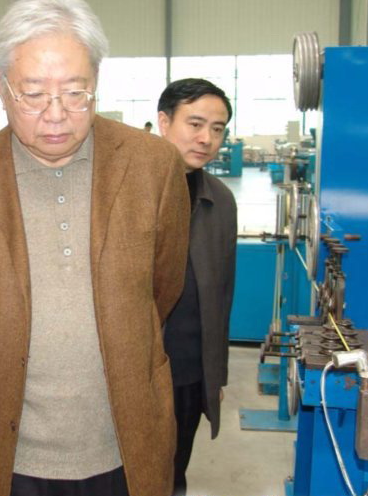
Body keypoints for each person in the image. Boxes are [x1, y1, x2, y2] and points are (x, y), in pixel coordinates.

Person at [0, 0, 190, 496]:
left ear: (96, 81)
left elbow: (163, 289)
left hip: (124, 444)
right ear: (1, 88)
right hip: (7, 453)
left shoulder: (153, 166)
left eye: (74, 92)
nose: (56, 114)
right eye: (33, 94)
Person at [156, 78, 238, 496]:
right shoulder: (122, 188)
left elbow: (223, 294)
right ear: (164, 122)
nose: (207, 138)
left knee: (173, 474)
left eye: (218, 128)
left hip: (188, 371)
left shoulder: (219, 200)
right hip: (129, 372)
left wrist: (214, 374)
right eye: (195, 124)